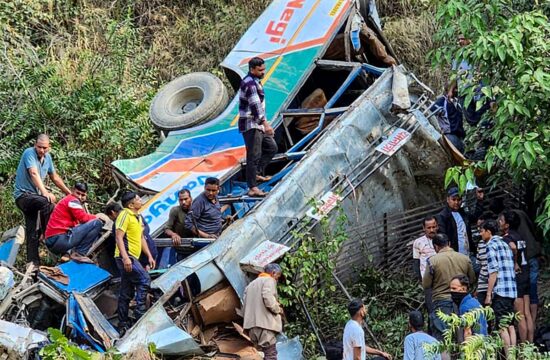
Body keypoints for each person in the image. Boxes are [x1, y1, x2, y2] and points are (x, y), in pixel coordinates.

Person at [13, 134, 71, 265]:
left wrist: (69, 193)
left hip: (35, 198)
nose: (41, 150)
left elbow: (54, 177)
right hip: (24, 197)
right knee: (48, 203)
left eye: (44, 148)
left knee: (32, 231)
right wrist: (45, 192)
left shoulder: (48, 158)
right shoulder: (29, 153)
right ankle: (49, 235)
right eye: (39, 147)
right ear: (35, 145)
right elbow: (33, 173)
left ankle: (33, 265)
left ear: (49, 147)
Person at [114, 191, 155, 333]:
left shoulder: (137, 217)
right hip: (126, 257)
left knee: (126, 292)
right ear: (131, 204)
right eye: (138, 199)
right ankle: (140, 313)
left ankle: (123, 322)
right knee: (144, 279)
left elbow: (141, 238)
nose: (140, 200)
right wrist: (125, 257)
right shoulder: (124, 214)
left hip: (132, 257)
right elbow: (119, 237)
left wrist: (149, 255)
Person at [423, 233, 475, 341]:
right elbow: (472, 279)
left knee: (442, 339)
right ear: (449, 243)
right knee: (464, 336)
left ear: (435, 247)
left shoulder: (432, 261)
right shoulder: (465, 259)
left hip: (441, 302)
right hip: (462, 301)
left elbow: (426, 284)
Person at [238, 56, 278, 197]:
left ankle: (256, 174)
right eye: (260, 70)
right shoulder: (250, 84)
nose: (263, 72)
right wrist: (266, 125)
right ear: (252, 69)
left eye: (264, 69)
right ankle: (252, 187)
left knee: (271, 148)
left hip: (257, 124)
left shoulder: (255, 82)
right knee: (253, 156)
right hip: (252, 125)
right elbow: (256, 107)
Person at [44, 182, 105, 262]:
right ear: (72, 191)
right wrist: (97, 217)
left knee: (79, 227)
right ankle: (79, 253)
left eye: (83, 195)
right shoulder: (72, 200)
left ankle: (68, 254)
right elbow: (83, 218)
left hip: (53, 240)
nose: (79, 197)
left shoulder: (68, 201)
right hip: (58, 239)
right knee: (97, 223)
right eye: (78, 193)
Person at [481, 220, 517, 356]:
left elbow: (493, 272)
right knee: (511, 325)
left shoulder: (491, 245)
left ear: (488, 232)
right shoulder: (505, 244)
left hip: (501, 290)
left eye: (481, 231)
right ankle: (513, 355)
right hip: (511, 290)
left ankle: (508, 356)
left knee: (502, 327)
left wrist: (488, 294)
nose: (480, 234)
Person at [499, 210, 533, 343]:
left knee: (520, 316)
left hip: (517, 278)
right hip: (526, 275)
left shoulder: (507, 238)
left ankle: (524, 349)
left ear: (507, 225)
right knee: (527, 313)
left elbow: (513, 248)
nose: (499, 224)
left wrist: (514, 263)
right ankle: (531, 344)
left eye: (501, 221)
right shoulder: (520, 236)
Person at [242, 263, 284, 360]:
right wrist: (278, 309)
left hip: (251, 327)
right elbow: (268, 299)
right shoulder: (269, 280)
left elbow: (244, 305)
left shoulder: (250, 285)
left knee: (261, 355)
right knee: (270, 355)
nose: (277, 279)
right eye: (278, 276)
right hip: (264, 326)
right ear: (273, 273)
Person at [436, 187, 481, 256]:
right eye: (453, 199)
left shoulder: (463, 213)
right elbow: (443, 237)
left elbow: (475, 217)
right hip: (454, 255)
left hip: (468, 253)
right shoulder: (443, 216)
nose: (456, 202)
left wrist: (480, 200)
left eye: (459, 199)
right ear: (448, 199)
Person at [412, 216, 438, 312]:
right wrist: (421, 281)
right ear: (424, 228)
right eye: (428, 228)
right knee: (431, 308)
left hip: (442, 279)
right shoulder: (418, 242)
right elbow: (416, 263)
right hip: (427, 280)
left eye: (434, 227)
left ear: (437, 226)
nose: (432, 230)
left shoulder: (442, 239)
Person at [431, 86, 466, 153]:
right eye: (454, 89)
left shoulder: (457, 102)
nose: (456, 90)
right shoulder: (442, 101)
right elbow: (430, 112)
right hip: (449, 134)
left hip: (459, 135)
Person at [475, 211, 496, 305]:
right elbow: (479, 264)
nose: (480, 233)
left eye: (481, 230)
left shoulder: (498, 244)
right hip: (482, 284)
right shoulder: (480, 244)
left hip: (495, 284)